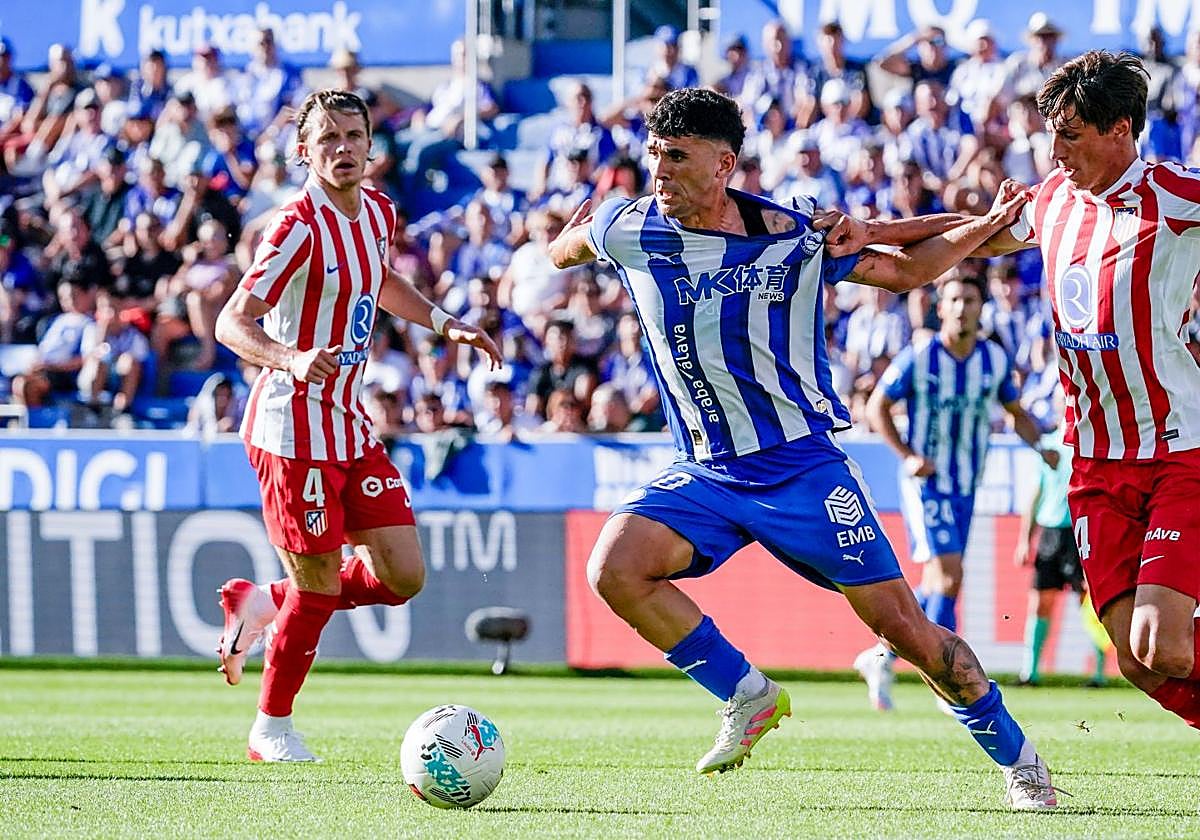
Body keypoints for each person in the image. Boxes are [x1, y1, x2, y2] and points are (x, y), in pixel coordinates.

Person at [546, 87, 1057, 808]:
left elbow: (907, 268)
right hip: (706, 471)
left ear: (724, 165)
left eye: (677, 158)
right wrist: (568, 242)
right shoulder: (630, 228)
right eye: (654, 155)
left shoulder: (790, 237)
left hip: (801, 467)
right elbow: (566, 246)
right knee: (616, 569)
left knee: (905, 628)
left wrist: (991, 224)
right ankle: (748, 695)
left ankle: (1022, 761)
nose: (659, 173)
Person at [211, 89, 501, 762]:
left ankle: (264, 602)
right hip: (292, 432)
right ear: (303, 151)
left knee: (403, 576)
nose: (343, 148)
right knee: (319, 585)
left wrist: (441, 320)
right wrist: (290, 356)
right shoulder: (295, 226)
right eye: (329, 138)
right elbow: (232, 322)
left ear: (372, 145)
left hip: (347, 420)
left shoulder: (376, 210)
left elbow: (380, 279)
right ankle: (271, 730)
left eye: (354, 136)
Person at [961, 50, 1200, 731]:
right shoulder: (1052, 202)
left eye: (1069, 134)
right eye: (1050, 133)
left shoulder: (1176, 195)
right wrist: (874, 236)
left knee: (1167, 643)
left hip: (1181, 449)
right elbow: (970, 239)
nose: (1053, 149)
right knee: (1135, 658)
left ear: (1120, 129)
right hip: (1094, 463)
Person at [855, 272, 1056, 711]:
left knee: (939, 581)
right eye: (955, 299)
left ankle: (882, 655)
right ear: (940, 307)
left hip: (966, 484)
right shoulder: (920, 355)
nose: (963, 307)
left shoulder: (995, 360)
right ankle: (948, 681)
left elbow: (1015, 410)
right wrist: (907, 454)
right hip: (926, 482)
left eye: (970, 299)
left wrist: (1042, 445)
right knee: (949, 575)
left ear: (982, 308)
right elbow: (878, 406)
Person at [1014, 418, 1108, 687]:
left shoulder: (1090, 441)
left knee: (1089, 603)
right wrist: (1025, 540)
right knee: (1040, 603)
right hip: (1051, 533)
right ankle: (1029, 672)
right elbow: (1036, 493)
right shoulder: (1047, 445)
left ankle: (1098, 674)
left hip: (1082, 531)